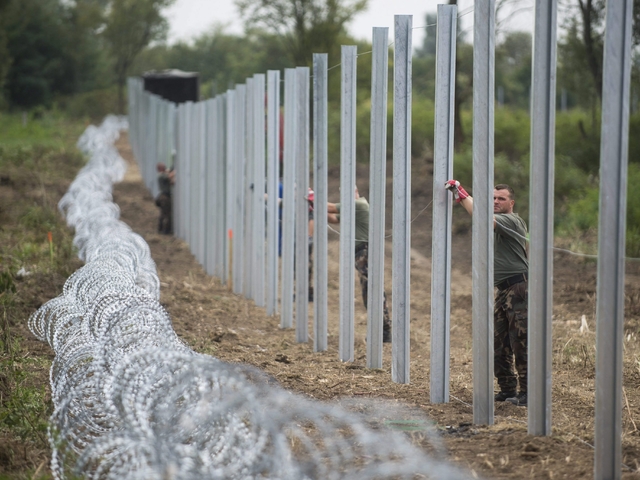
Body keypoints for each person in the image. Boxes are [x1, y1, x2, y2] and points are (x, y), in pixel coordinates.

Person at [445, 180, 529, 407]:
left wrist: (461, 194)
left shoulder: (512, 220)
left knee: (520, 342)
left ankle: (528, 392)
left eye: (501, 198)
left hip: (519, 289)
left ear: (511, 203)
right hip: (504, 290)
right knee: (499, 342)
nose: (495, 202)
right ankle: (507, 389)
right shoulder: (496, 223)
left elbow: (483, 219)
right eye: (492, 198)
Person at [327, 186, 392, 343]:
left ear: (356, 192)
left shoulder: (358, 205)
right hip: (362, 253)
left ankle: (383, 330)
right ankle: (381, 330)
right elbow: (333, 218)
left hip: (365, 251)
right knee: (368, 291)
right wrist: (312, 206)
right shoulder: (353, 209)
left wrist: (311, 198)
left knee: (372, 291)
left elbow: (329, 207)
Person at [155, 162, 175, 234]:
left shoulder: (162, 175)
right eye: (164, 167)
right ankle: (165, 230)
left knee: (163, 214)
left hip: (164, 196)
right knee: (166, 215)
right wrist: (175, 171)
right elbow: (169, 176)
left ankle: (161, 229)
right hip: (165, 197)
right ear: (160, 168)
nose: (165, 167)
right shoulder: (161, 175)